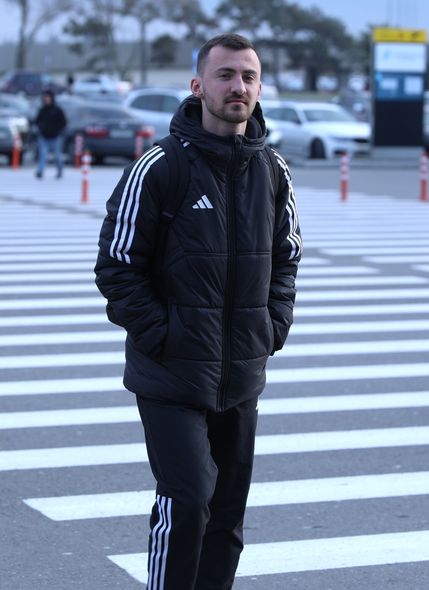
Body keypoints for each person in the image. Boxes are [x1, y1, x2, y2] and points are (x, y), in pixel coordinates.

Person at [94, 33, 302, 590]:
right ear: (197, 86)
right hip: (171, 374)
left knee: (227, 519)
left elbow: (287, 259)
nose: (238, 87)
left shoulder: (273, 170)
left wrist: (270, 328)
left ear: (259, 89)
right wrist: (165, 335)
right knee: (186, 504)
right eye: (225, 74)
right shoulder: (160, 167)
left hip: (241, 374)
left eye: (249, 77)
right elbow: (117, 266)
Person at [34, 89, 67, 179]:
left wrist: (58, 130)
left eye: (48, 97)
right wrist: (40, 129)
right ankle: (40, 171)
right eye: (45, 97)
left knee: (58, 156)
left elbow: (63, 122)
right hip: (44, 137)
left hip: (55, 137)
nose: (46, 99)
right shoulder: (42, 110)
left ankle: (60, 171)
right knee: (43, 155)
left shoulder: (57, 110)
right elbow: (37, 121)